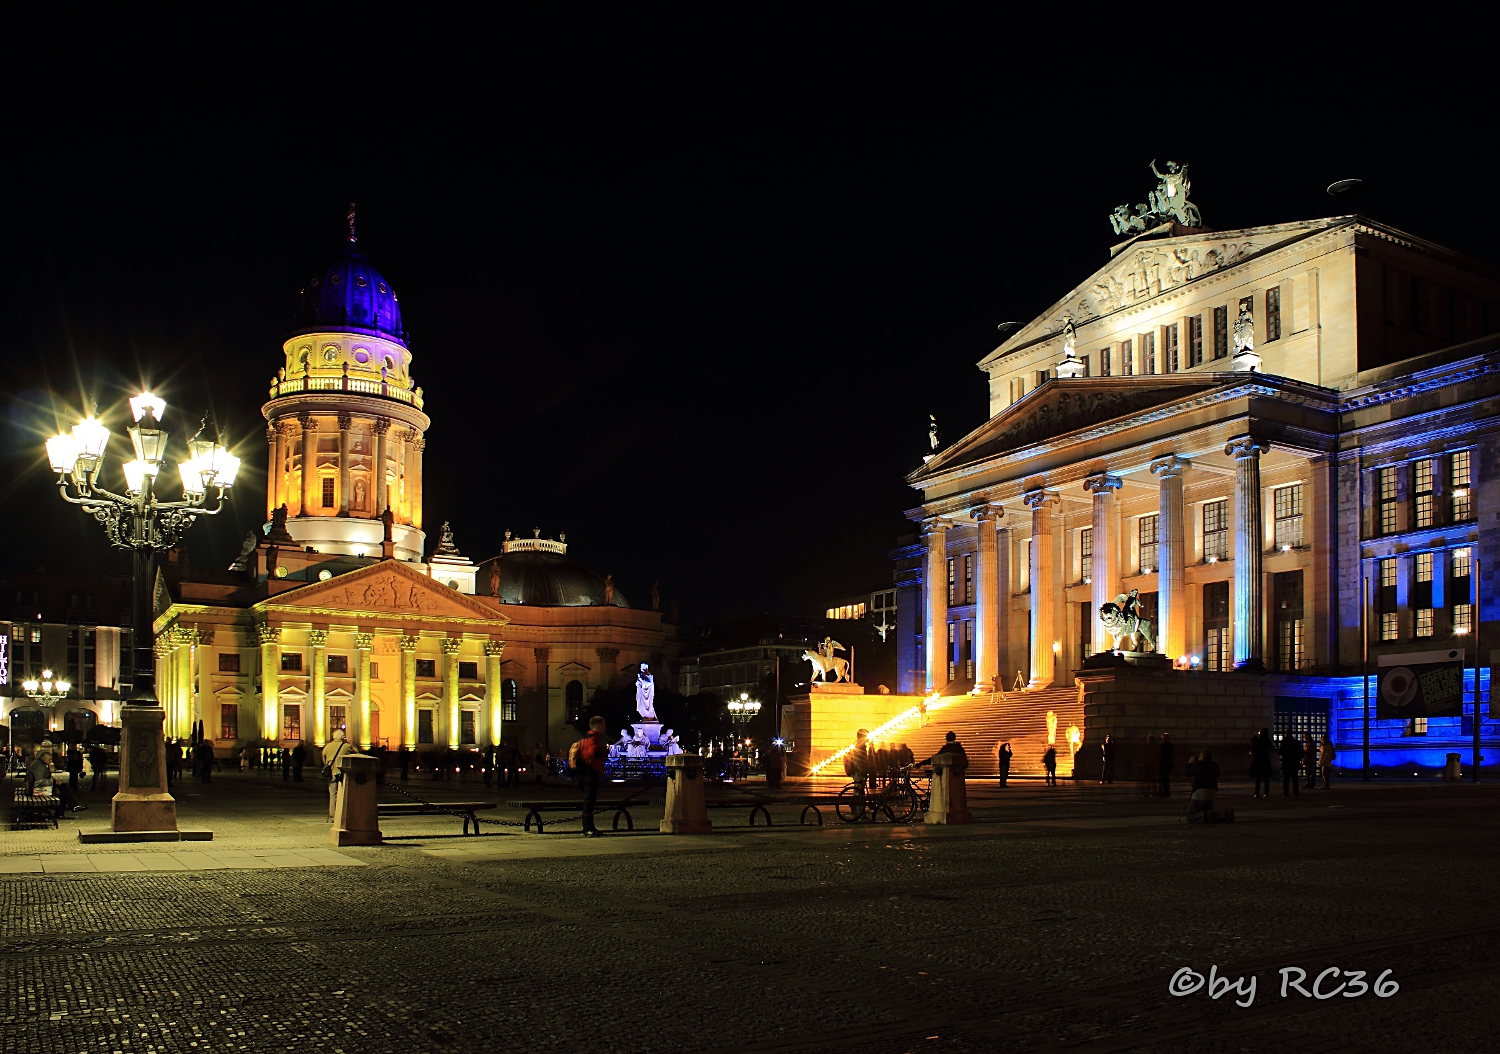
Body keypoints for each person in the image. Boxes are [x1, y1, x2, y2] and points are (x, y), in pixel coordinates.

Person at [577, 716, 608, 837]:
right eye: (603, 725)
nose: (605, 727)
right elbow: (591, 754)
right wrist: (603, 751)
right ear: (597, 726)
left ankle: (588, 826)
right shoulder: (593, 739)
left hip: (589, 772)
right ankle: (587, 827)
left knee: (590, 801)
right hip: (591, 772)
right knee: (589, 801)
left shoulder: (589, 738)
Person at [1187, 749, 1234, 824]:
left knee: (1190, 816)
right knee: (1209, 813)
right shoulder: (1214, 765)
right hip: (1212, 792)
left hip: (1199, 791)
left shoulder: (1197, 764)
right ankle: (1225, 814)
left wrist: (1190, 763)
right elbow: (1217, 774)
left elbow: (1187, 773)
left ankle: (1209, 815)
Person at [323, 730, 349, 821]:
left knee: (332, 794)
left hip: (331, 772)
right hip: (342, 772)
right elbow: (356, 753)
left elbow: (323, 758)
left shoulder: (328, 746)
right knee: (343, 794)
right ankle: (342, 813)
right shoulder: (346, 746)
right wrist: (347, 742)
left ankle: (332, 815)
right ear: (343, 737)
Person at [1250, 729, 1273, 798]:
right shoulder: (1267, 740)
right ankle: (1266, 793)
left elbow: (1253, 742)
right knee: (1266, 779)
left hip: (1258, 761)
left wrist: (1255, 735)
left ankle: (1257, 793)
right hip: (1265, 761)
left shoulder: (1258, 740)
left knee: (1258, 779)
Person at [1279, 732, 1303, 798]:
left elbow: (1280, 752)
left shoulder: (1284, 742)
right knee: (1295, 778)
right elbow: (1301, 752)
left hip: (1286, 762)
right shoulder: (1296, 742)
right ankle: (1296, 793)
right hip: (1294, 762)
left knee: (1286, 779)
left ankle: (1285, 793)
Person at [1158, 733, 1176, 797]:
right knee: (1165, 778)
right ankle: (1166, 792)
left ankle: (1165, 792)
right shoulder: (1171, 745)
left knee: (1164, 778)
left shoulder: (1163, 745)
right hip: (1167, 763)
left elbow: (1160, 755)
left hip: (1164, 763)